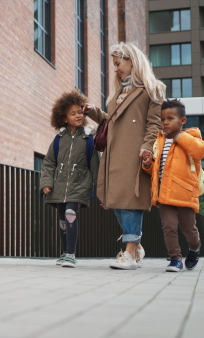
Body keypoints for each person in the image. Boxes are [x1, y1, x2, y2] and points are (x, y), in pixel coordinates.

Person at [83, 42, 165, 270]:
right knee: (117, 201)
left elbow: (154, 123)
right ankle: (136, 246)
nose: (116, 69)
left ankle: (129, 252)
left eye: (119, 64)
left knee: (130, 200)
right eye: (114, 65)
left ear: (132, 60)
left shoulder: (153, 88)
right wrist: (91, 111)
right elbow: (111, 121)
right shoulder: (119, 91)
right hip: (114, 152)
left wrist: (148, 147)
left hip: (135, 152)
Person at [142, 99, 204, 272]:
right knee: (169, 227)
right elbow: (157, 170)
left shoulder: (192, 136)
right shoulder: (160, 141)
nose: (165, 123)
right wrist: (148, 164)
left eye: (170, 118)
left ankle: (195, 247)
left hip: (184, 193)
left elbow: (200, 151)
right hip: (164, 195)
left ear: (182, 121)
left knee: (189, 229)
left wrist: (179, 136)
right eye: (163, 119)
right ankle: (175, 258)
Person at [40, 90, 100, 268]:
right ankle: (65, 251)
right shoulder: (59, 139)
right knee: (62, 221)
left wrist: (100, 191)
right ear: (64, 118)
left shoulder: (88, 139)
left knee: (70, 215)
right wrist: (46, 183)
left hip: (79, 186)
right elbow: (49, 163)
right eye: (73, 113)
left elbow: (95, 166)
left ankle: (71, 253)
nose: (78, 116)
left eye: (80, 112)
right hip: (59, 187)